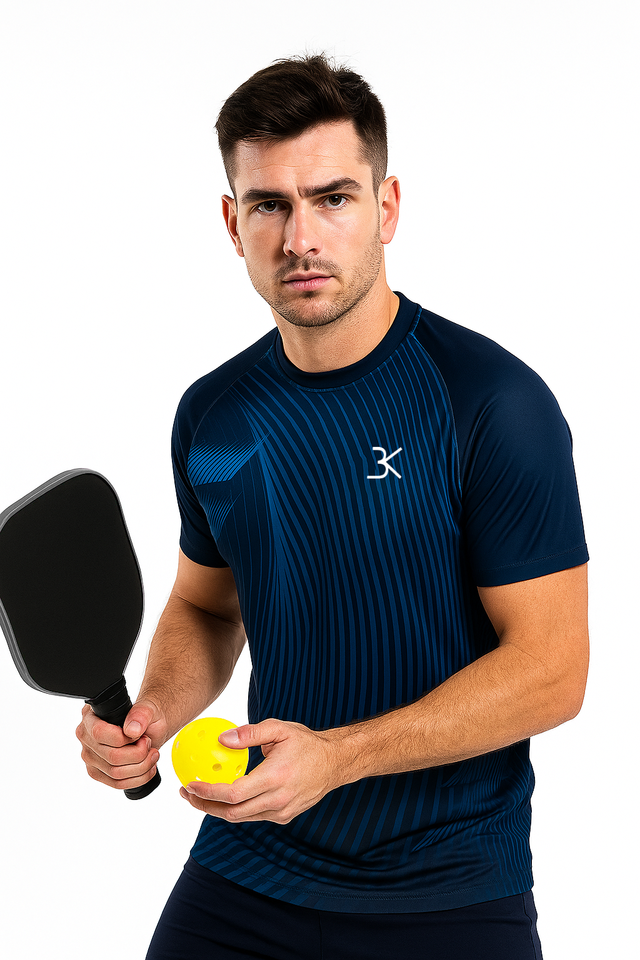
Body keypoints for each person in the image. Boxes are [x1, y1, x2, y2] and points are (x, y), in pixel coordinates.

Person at [76, 54, 589, 959]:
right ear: (233, 223)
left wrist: (339, 758)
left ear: (387, 208)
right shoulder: (216, 416)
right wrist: (153, 710)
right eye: (270, 205)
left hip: (449, 886)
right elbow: (208, 606)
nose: (300, 238)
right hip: (250, 865)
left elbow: (554, 668)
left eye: (333, 198)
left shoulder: (490, 402)